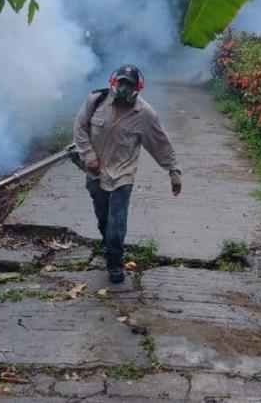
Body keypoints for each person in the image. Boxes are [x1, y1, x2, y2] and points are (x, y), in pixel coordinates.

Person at [73, 64, 181, 283]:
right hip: (95, 173)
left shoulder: (145, 114)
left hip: (123, 175)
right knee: (103, 220)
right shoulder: (95, 102)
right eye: (121, 83)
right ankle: (109, 247)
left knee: (116, 223)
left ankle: (115, 264)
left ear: (137, 87)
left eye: (128, 85)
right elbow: (80, 129)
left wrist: (173, 171)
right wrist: (89, 156)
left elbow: (161, 144)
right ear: (114, 82)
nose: (124, 88)